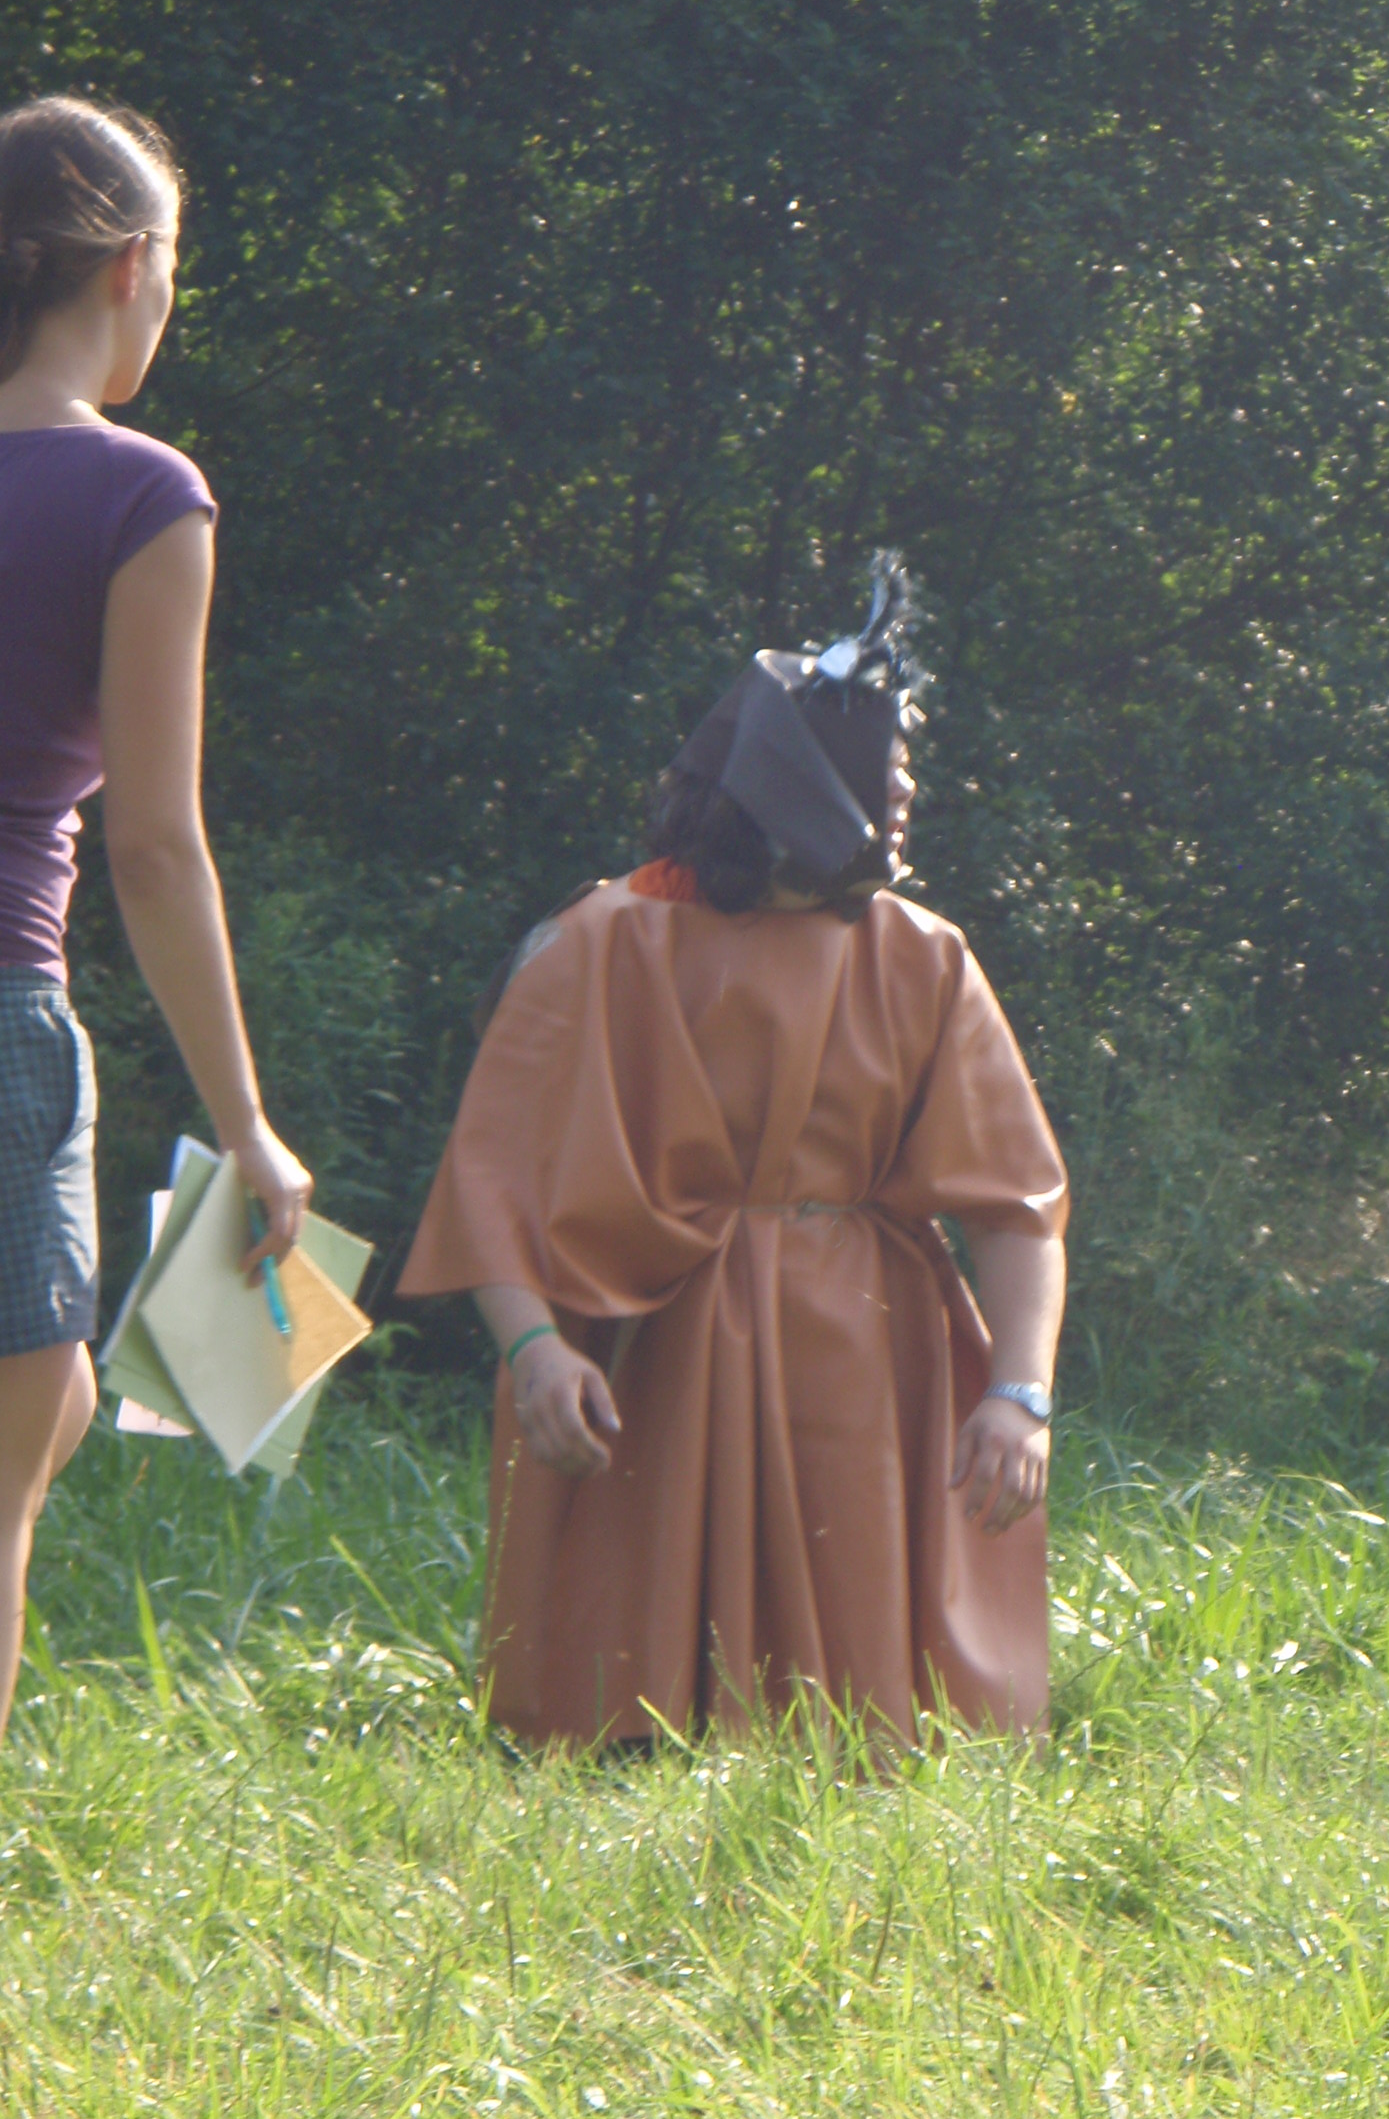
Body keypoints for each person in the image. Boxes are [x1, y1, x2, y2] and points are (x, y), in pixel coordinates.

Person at [401, 562, 1068, 1747]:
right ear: (794, 783)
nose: (907, 791)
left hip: (860, 1348)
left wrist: (1019, 1393)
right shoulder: (604, 941)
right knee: (635, 1697)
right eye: (886, 767)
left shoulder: (923, 956)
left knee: (853, 1724)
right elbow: (492, 1174)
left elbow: (1015, 1204)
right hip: (653, 1341)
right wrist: (534, 1348)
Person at [0, 96, 310, 1737]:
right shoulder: (140, 496)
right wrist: (246, 1125)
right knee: (9, 1458)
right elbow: (156, 847)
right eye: (174, 266)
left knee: (44, 1410)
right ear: (128, 266)